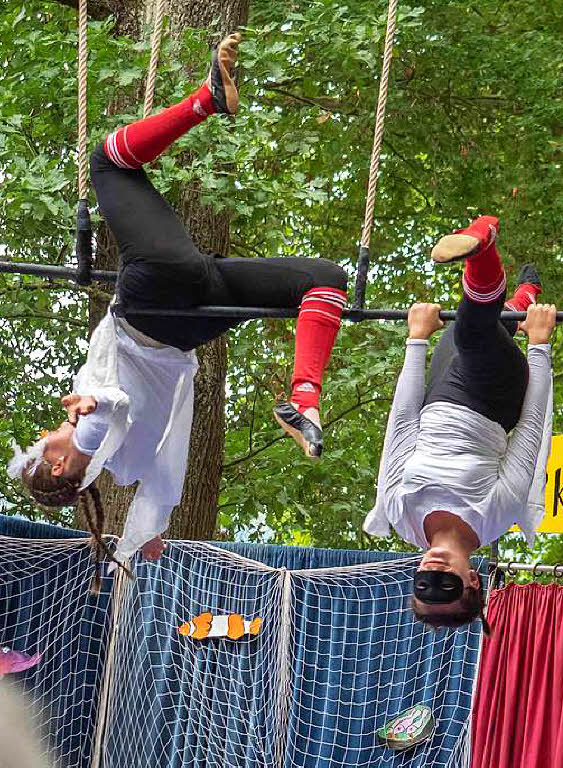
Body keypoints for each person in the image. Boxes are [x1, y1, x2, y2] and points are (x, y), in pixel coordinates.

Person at [7, 34, 349, 569]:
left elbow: (163, 485)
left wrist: (144, 536)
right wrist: (88, 406)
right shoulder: (95, 436)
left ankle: (305, 398)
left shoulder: (128, 462)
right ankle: (205, 100)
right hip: (152, 303)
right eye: (41, 446)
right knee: (106, 162)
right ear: (55, 465)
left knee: (324, 280)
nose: (44, 436)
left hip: (195, 316)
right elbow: (106, 409)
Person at [364, 216, 555, 633]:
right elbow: (529, 434)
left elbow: (400, 427)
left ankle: (521, 298)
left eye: (422, 585)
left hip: (438, 392)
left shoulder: (401, 514)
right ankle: (483, 243)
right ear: (472, 580)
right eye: (444, 587)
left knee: (473, 329)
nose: (432, 572)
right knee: (472, 333)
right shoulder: (496, 516)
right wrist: (539, 349)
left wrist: (416, 341)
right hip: (494, 400)